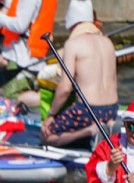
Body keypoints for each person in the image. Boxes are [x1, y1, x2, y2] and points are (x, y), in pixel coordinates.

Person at [41, 0, 117, 148]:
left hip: (88, 110)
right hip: (112, 109)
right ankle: (106, 127)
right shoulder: (107, 42)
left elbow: (65, 87)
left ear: (71, 23)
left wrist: (51, 115)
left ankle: (91, 131)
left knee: (46, 136)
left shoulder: (73, 44)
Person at [0, 0, 58, 107]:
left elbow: (19, 26)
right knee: (20, 93)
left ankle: (58, 98)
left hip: (22, 58)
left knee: (13, 96)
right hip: (31, 55)